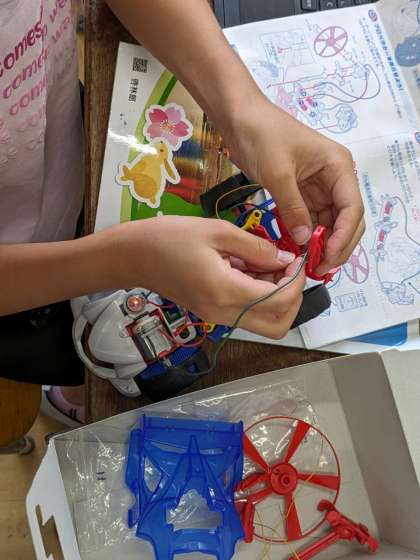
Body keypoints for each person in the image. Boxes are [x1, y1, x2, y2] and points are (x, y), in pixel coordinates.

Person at [0, 0, 364, 425]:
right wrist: (122, 262)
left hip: (66, 153)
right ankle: (71, 391)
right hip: (22, 302)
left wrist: (244, 110)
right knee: (66, 357)